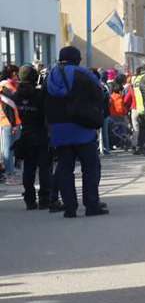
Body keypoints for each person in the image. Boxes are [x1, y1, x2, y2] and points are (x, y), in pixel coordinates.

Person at [45, 46, 108, 218]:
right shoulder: (83, 74)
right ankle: (91, 204)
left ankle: (69, 207)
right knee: (91, 167)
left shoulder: (50, 77)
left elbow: (46, 102)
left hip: (59, 129)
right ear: (77, 58)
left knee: (65, 168)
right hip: (82, 127)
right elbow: (99, 95)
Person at [12, 65, 51, 210]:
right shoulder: (39, 95)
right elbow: (47, 114)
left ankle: (29, 198)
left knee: (28, 168)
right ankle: (44, 198)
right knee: (44, 168)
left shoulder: (15, 96)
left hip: (25, 135)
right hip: (41, 133)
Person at [0, 65, 21, 184]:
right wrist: (13, 124)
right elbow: (8, 106)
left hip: (13, 122)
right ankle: (9, 174)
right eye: (16, 73)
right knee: (8, 149)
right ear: (12, 73)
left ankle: (11, 171)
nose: (18, 76)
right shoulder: (4, 85)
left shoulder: (11, 85)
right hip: (7, 122)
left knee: (12, 148)